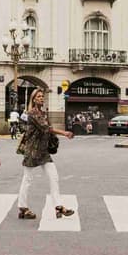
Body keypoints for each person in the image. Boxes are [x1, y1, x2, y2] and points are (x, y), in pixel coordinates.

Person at [16, 90, 75, 220]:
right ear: (33, 99)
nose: (42, 98)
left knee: (53, 177)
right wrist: (64, 133)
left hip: (43, 151)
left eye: (43, 96)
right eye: (39, 96)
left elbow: (48, 130)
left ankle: (58, 206)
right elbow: (45, 128)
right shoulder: (32, 113)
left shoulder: (43, 113)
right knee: (27, 179)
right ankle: (23, 208)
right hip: (32, 151)